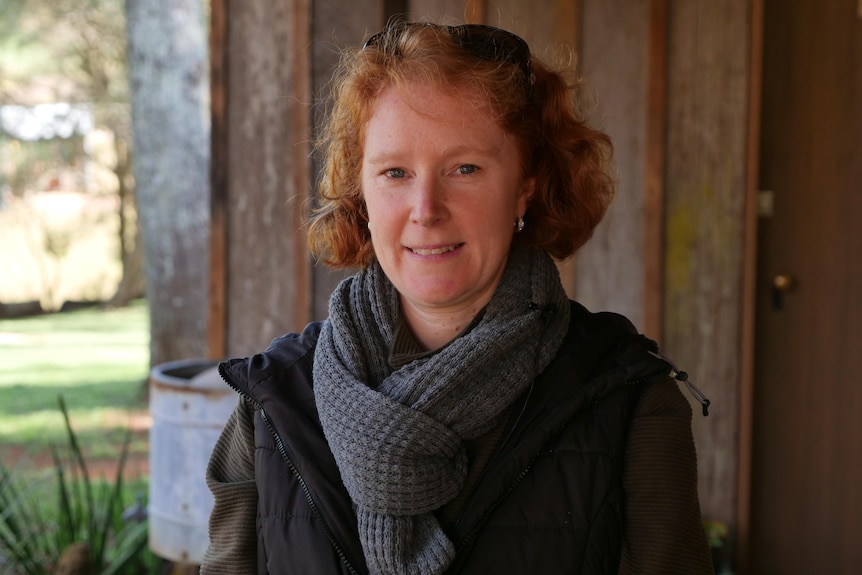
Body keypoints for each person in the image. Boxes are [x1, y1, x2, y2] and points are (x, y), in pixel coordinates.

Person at [201, 21, 714, 575]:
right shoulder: (275, 400)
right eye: (395, 172)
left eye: (464, 168)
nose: (426, 207)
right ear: (361, 192)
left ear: (527, 184)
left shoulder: (630, 401)